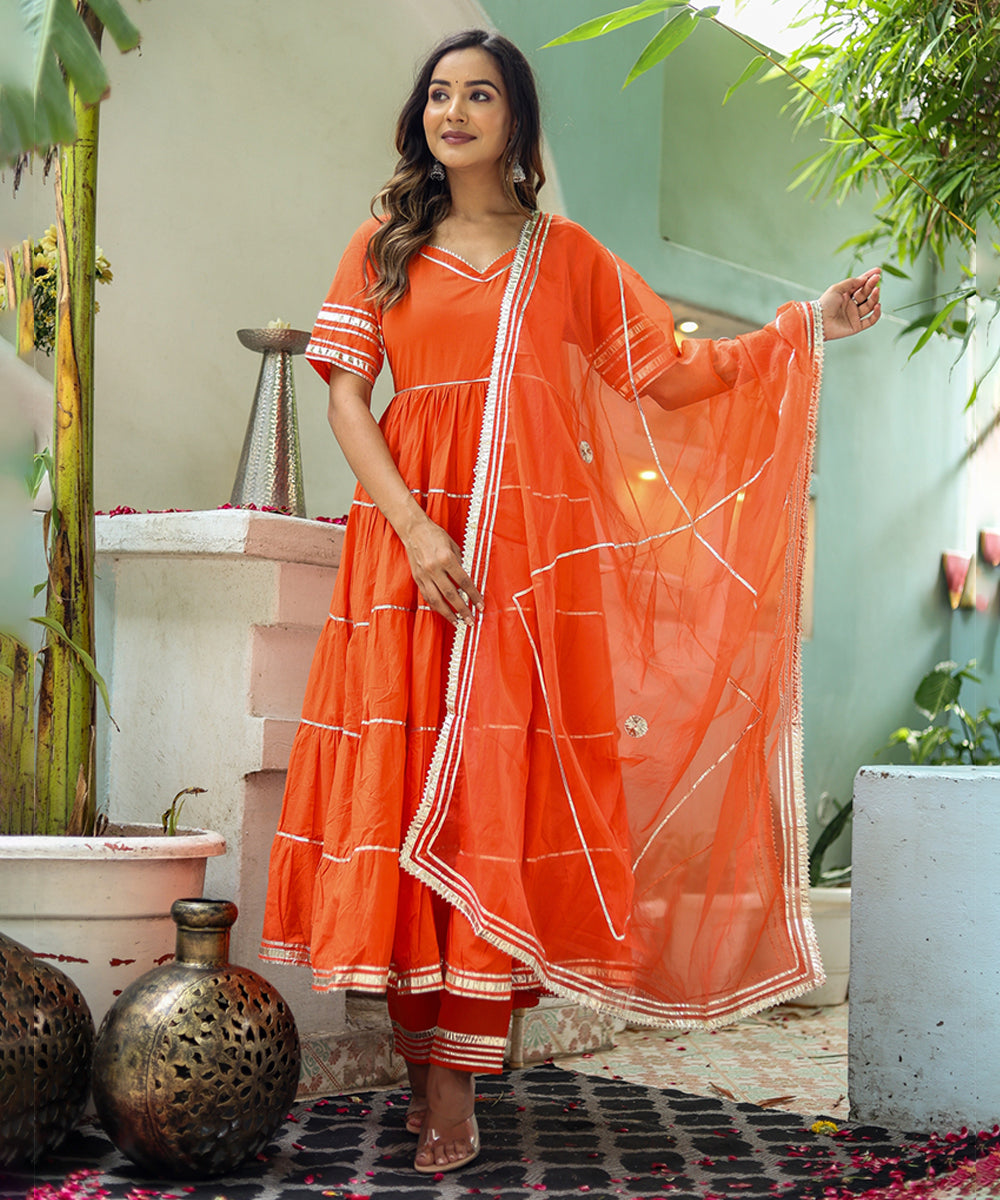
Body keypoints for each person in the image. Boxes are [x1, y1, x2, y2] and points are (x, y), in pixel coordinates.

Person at [261, 28, 881, 1175]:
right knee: (403, 804)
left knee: (495, 801)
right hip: (411, 554)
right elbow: (349, 403)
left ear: (517, 120)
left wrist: (807, 327)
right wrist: (414, 527)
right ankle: (421, 1068)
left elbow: (675, 375)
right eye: (438, 94)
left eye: (478, 94)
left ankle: (459, 1086)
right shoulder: (380, 246)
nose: (453, 111)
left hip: (530, 567)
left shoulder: (570, 257)